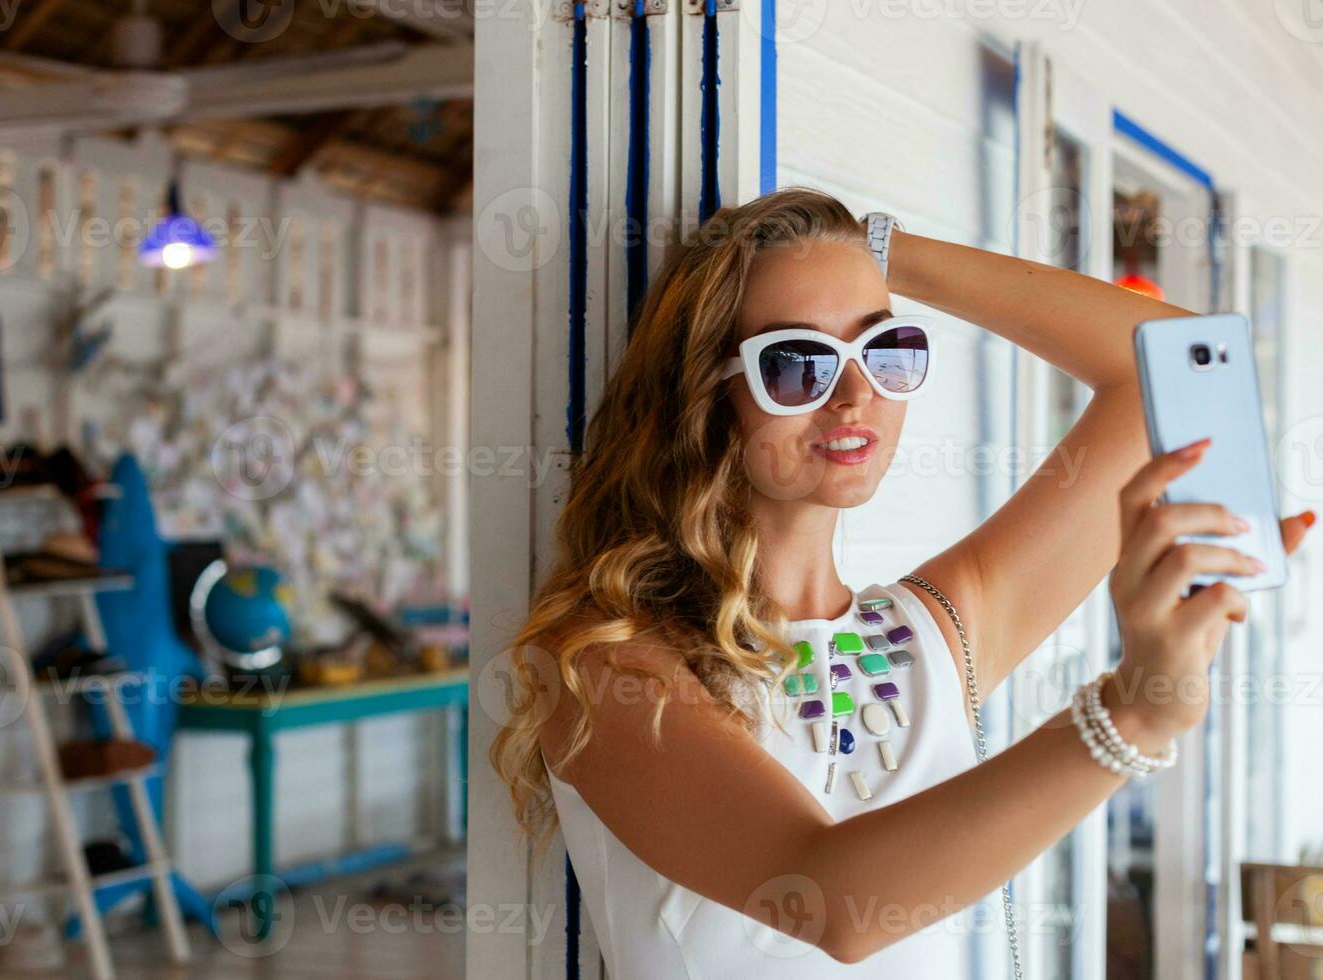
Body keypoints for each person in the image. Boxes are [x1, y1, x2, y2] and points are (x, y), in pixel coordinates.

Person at [488, 188, 1312, 977]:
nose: (855, 395)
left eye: (884, 350)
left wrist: (874, 251)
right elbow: (831, 900)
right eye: (797, 363)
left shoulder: (935, 630)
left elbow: (1171, 364)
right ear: (706, 393)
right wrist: (1130, 712)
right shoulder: (604, 669)